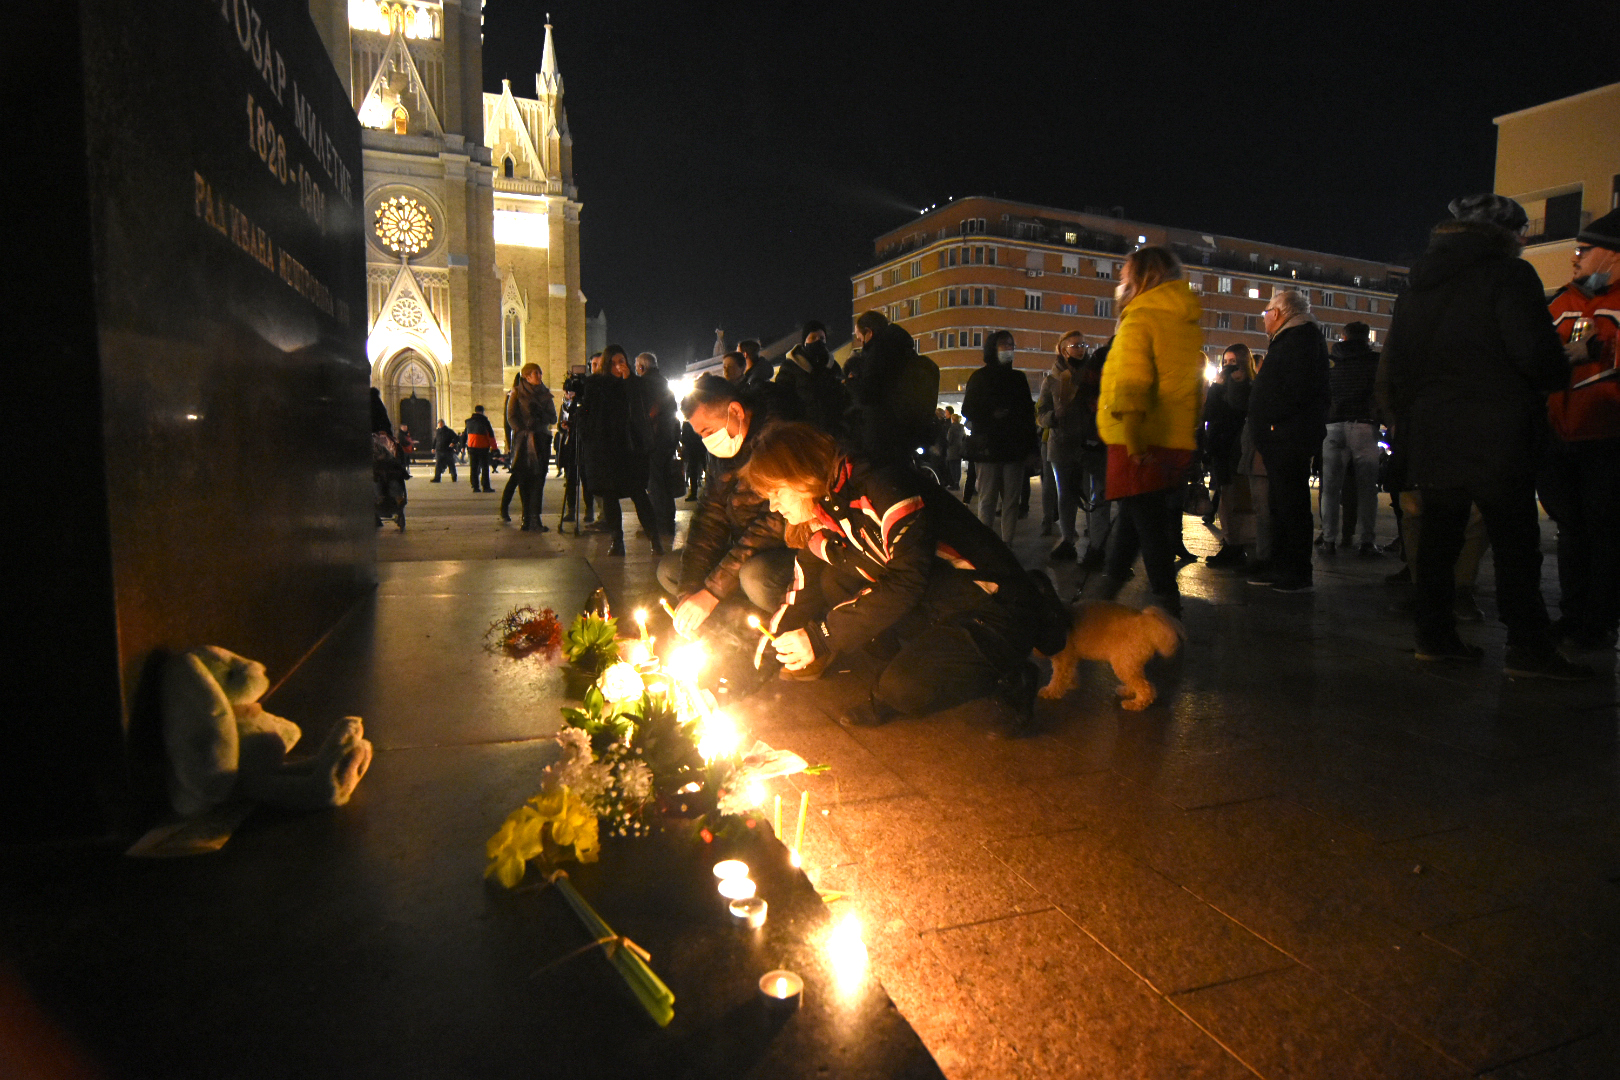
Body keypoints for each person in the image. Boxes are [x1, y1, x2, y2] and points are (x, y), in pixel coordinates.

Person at [741, 422, 1068, 732]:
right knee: (835, 580)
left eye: (776, 493)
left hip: (992, 603)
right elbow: (805, 582)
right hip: (936, 598)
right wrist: (766, 648)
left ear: (801, 475)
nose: (773, 506)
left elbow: (906, 580)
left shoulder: (881, 486)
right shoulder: (826, 507)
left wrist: (821, 636)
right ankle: (901, 672)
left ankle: (1010, 672)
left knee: (904, 689)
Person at [1381, 193, 1588, 678]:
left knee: (1438, 538)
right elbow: (1534, 354)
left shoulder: (1418, 284)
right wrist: (1562, 365)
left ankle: (1433, 637)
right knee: (1516, 543)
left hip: (1435, 429)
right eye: (1520, 233)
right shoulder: (1509, 276)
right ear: (1505, 234)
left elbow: (1400, 362)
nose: (1523, 241)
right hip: (1498, 429)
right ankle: (1529, 649)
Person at [1094, 246, 1204, 616]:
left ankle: (1166, 605)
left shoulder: (1140, 317)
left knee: (1148, 524)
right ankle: (1101, 597)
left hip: (1135, 436)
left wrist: (1136, 440)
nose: (1120, 281)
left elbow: (1130, 383)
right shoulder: (1182, 320)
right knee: (1135, 517)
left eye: (1125, 273)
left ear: (1142, 277)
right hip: (1169, 435)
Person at [1539, 208, 1620, 652]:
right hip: (1562, 437)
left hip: (1609, 439)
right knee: (1572, 531)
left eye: (1583, 251)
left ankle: (1598, 619)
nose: (1574, 258)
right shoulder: (1561, 302)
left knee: (1606, 533)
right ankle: (1573, 614)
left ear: (1612, 255)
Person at [660, 375, 794, 639]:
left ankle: (787, 627)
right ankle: (726, 626)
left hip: (782, 554)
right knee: (671, 571)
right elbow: (710, 516)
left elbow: (773, 525)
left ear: (735, 411)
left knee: (755, 577)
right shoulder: (722, 453)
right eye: (700, 435)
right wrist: (691, 592)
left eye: (708, 432)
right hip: (739, 553)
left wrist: (711, 592)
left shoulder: (780, 438)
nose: (707, 441)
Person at [1244, 288, 1330, 593]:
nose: (1264, 319)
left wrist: (1271, 422)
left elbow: (1294, 391)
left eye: (1266, 313)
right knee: (1281, 503)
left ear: (1277, 314)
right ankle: (1280, 564)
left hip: (1287, 437)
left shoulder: (1299, 340)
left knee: (1290, 503)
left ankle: (1295, 569)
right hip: (1282, 435)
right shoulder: (1296, 338)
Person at [577, 345, 663, 556]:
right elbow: (586, 410)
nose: (617, 366)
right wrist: (586, 432)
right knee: (609, 496)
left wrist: (628, 380)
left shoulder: (634, 383)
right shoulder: (595, 383)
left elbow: (641, 404)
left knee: (638, 494)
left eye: (621, 362)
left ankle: (655, 539)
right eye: (614, 363)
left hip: (629, 448)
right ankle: (617, 541)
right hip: (604, 448)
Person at [962, 330, 1038, 546]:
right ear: (992, 348)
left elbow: (1027, 416)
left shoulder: (1019, 378)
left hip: (1014, 449)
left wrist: (1031, 450)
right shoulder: (979, 377)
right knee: (987, 499)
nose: (1008, 349)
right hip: (988, 448)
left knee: (1011, 501)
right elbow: (969, 409)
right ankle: (988, 546)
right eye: (1004, 344)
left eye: (1011, 345)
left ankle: (1007, 543)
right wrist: (991, 414)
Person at [1039, 331, 1109, 565]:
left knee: (1094, 494)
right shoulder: (1052, 380)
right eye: (1075, 345)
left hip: (1090, 443)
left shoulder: (1093, 376)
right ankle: (1068, 539)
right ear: (1062, 349)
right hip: (1062, 444)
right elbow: (1039, 413)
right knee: (1066, 494)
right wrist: (1052, 417)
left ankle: (1097, 544)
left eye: (1083, 344)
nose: (1081, 349)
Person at [1319, 321, 1382, 556]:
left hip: (1333, 425)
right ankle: (1366, 541)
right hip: (1363, 425)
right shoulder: (1373, 361)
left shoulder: (1330, 361)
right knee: (1367, 489)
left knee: (1331, 489)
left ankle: (1329, 541)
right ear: (1366, 337)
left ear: (1343, 337)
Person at [844, 314, 940, 468]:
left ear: (869, 332)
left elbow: (867, 394)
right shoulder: (903, 351)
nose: (860, 342)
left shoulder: (879, 352)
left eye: (859, 336)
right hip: (907, 437)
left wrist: (851, 381)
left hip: (883, 437)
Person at [1203, 345, 1253, 569]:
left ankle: (1237, 545)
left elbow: (1240, 407)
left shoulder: (1249, 385)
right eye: (1225, 361)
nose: (1228, 366)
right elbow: (1209, 413)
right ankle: (1230, 542)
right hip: (1220, 446)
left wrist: (1236, 384)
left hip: (1237, 447)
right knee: (1224, 497)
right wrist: (1216, 387)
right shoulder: (1221, 385)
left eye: (1233, 361)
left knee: (1236, 498)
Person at [505, 364, 556, 532]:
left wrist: (541, 415)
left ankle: (536, 518)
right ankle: (526, 518)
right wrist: (522, 430)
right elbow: (511, 416)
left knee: (538, 480)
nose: (540, 375)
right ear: (527, 376)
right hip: (523, 441)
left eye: (540, 372)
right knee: (524, 480)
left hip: (541, 440)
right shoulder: (517, 393)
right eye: (536, 373)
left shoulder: (545, 394)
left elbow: (553, 418)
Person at [775, 322, 848, 436]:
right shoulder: (791, 366)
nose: (818, 341)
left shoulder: (832, 366)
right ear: (805, 341)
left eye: (822, 338)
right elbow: (782, 399)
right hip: (803, 431)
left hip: (831, 431)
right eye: (813, 337)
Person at [637, 351, 680, 541]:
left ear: (642, 367)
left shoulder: (646, 383)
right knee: (663, 481)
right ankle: (667, 521)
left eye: (637, 366)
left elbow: (643, 411)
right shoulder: (662, 381)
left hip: (655, 439)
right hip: (668, 437)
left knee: (655, 482)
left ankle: (661, 525)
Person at [463, 405, 497, 493]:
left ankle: (475, 487)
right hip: (483, 447)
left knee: (474, 468)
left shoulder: (469, 422)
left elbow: (464, 435)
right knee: (485, 468)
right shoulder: (485, 421)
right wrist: (495, 448)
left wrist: (462, 446)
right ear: (482, 411)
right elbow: (491, 435)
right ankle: (486, 487)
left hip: (472, 447)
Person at [680, 417, 706, 500]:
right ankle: (714, 491)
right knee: (707, 469)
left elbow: (683, 438)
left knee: (693, 472)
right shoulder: (701, 420)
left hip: (691, 450)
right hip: (702, 448)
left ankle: (694, 493)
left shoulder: (687, 423)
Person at [943, 407, 964, 491]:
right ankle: (957, 483)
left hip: (952, 450)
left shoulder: (951, 428)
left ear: (953, 419)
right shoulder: (961, 428)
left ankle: (954, 484)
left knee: (952, 467)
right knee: (958, 467)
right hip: (959, 449)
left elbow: (949, 439)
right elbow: (964, 437)